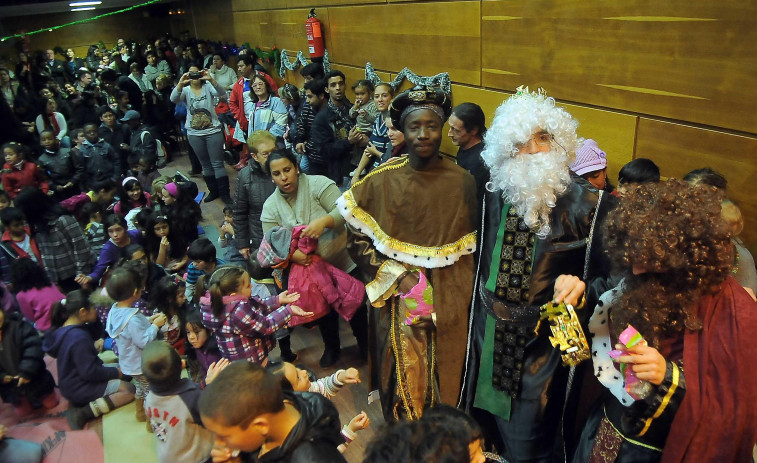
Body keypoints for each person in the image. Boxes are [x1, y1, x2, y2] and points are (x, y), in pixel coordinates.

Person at [459, 87, 615, 461]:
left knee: (534, 441)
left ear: (561, 143)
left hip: (545, 346)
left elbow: (620, 281)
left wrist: (584, 287)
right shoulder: (496, 190)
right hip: (487, 334)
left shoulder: (592, 205)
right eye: (519, 142)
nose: (531, 151)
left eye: (542, 138)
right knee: (483, 430)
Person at [573, 180, 757, 462]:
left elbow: (732, 414)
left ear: (686, 258)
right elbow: (600, 308)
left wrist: (668, 376)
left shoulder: (735, 312)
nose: (635, 268)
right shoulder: (637, 278)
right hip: (602, 433)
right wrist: (576, 294)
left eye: (648, 260)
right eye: (631, 256)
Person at [339, 86, 477, 421]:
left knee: (448, 367)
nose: (423, 134)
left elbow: (475, 243)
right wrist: (396, 275)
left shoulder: (463, 181)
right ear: (403, 129)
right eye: (414, 127)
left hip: (451, 292)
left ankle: (444, 436)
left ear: (442, 128)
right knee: (404, 375)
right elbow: (355, 235)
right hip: (401, 295)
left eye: (431, 126)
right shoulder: (382, 179)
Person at [261, 149, 363, 367]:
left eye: (287, 170)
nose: (283, 177)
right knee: (324, 312)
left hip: (342, 261)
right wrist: (293, 255)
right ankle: (332, 348)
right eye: (277, 173)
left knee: (356, 308)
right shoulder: (270, 207)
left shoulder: (319, 184)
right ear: (271, 177)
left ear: (297, 168)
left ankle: (365, 345)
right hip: (313, 274)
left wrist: (324, 221)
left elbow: (345, 210)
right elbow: (270, 242)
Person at [198, 361, 347, 463]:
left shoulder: (312, 458)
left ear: (261, 426)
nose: (217, 444)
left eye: (224, 436)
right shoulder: (284, 402)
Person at [43, 289, 135, 430]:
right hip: (80, 386)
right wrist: (117, 373)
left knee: (123, 368)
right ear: (82, 312)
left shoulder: (63, 330)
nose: (96, 311)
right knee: (128, 390)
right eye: (93, 308)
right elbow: (90, 372)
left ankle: (81, 402)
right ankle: (84, 412)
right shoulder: (78, 338)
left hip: (72, 381)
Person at [198, 265, 311, 363]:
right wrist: (288, 311)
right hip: (250, 362)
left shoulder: (219, 302)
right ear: (233, 294)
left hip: (239, 361)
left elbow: (255, 307)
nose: (251, 286)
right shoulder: (237, 311)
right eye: (248, 285)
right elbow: (266, 325)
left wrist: (277, 300)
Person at [105, 262, 167, 422]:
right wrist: (155, 325)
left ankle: (140, 412)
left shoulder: (116, 310)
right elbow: (144, 341)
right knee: (151, 392)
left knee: (141, 387)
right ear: (134, 292)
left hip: (129, 363)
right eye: (141, 288)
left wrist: (148, 319)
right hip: (140, 364)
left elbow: (131, 327)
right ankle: (153, 421)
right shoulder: (131, 319)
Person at [267, 361, 370, 453]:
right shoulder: (302, 431)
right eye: (298, 378)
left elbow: (324, 387)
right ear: (289, 396)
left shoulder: (307, 391)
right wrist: (350, 431)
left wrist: (341, 377)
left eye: (297, 369)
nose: (304, 372)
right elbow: (329, 454)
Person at [142, 340, 217, 460]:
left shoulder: (149, 398)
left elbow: (185, 395)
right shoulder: (191, 398)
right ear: (182, 364)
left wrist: (205, 383)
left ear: (145, 378)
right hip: (195, 458)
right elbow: (215, 418)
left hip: (168, 457)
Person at [171, 66, 232, 204]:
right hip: (194, 133)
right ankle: (213, 191)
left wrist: (210, 78)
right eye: (191, 73)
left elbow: (222, 93)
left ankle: (225, 194)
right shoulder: (185, 91)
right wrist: (181, 82)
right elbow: (173, 99)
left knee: (217, 164)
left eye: (196, 72)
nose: (194, 76)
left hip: (213, 130)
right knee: (205, 165)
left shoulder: (208, 87)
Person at [15, 187, 91, 292]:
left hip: (80, 275)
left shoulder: (63, 219)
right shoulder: (37, 226)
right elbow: (45, 256)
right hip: (60, 280)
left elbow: (82, 249)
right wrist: (54, 282)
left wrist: (82, 276)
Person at [310, 71, 366, 184]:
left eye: (341, 84)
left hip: (363, 167)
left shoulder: (354, 109)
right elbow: (324, 151)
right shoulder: (322, 118)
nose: (338, 88)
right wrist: (348, 141)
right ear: (326, 89)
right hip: (341, 174)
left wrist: (366, 139)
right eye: (333, 85)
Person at [0, 309, 58, 417]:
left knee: (51, 403)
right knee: (23, 412)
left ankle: (47, 395)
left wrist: (26, 371)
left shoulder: (19, 327)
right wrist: (2, 376)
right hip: (12, 386)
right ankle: (23, 402)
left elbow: (33, 348)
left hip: (35, 376)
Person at [234, 130, 278, 260]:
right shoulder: (245, 176)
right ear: (255, 156)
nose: (272, 157)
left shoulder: (288, 168)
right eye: (265, 154)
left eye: (274, 151)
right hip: (261, 240)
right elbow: (239, 212)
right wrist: (243, 243)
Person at [76, 214, 142, 288]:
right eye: (110, 231)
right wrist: (88, 278)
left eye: (118, 230)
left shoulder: (136, 234)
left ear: (125, 228)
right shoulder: (108, 249)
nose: (115, 234)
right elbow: (99, 269)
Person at [350, 82, 394, 185]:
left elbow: (394, 158)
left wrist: (375, 152)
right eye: (377, 96)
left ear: (392, 97)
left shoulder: (394, 122)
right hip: (375, 167)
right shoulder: (378, 119)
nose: (380, 100)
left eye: (384, 96)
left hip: (389, 172)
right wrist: (357, 175)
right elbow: (369, 149)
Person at [11, 257, 64, 334]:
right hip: (67, 314)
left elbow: (31, 317)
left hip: (49, 326)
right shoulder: (49, 283)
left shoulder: (21, 295)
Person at [449, 102, 488, 205]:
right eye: (450, 128)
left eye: (456, 130)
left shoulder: (480, 163)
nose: (449, 134)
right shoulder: (465, 145)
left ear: (474, 130)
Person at [0, 207, 43, 286]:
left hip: (44, 272)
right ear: (6, 227)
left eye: (22, 223)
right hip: (28, 281)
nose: (21, 227)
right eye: (16, 225)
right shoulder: (4, 245)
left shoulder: (33, 232)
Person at [38, 129, 83, 200]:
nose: (47, 141)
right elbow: (44, 178)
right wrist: (54, 186)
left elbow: (79, 168)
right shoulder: (42, 159)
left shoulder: (68, 151)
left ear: (56, 140)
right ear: (41, 143)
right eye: (44, 140)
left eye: (50, 139)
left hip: (75, 185)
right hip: (59, 191)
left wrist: (73, 181)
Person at [149, 276, 188, 354]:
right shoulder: (157, 315)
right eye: (181, 296)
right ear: (169, 299)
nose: (185, 298)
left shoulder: (184, 310)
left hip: (180, 346)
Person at [79, 122, 121, 190]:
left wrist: (115, 177)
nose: (92, 134)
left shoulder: (106, 146)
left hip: (109, 178)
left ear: (98, 131)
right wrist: (87, 184)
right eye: (88, 132)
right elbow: (82, 169)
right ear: (85, 135)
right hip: (93, 181)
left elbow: (116, 161)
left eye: (94, 131)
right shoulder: (82, 150)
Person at [246, 72, 288, 139]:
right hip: (257, 144)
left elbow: (281, 124)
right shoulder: (253, 106)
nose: (258, 87)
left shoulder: (276, 102)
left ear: (266, 85)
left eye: (260, 84)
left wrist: (265, 137)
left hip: (272, 143)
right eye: (254, 85)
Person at [185, 308, 222, 383]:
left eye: (196, 332)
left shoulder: (216, 352)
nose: (191, 337)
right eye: (188, 332)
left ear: (208, 330)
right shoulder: (198, 349)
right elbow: (204, 372)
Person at [185, 237, 225, 303]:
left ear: (210, 259)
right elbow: (190, 287)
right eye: (193, 261)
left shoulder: (222, 268)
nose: (194, 264)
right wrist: (189, 301)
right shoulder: (192, 268)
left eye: (198, 261)